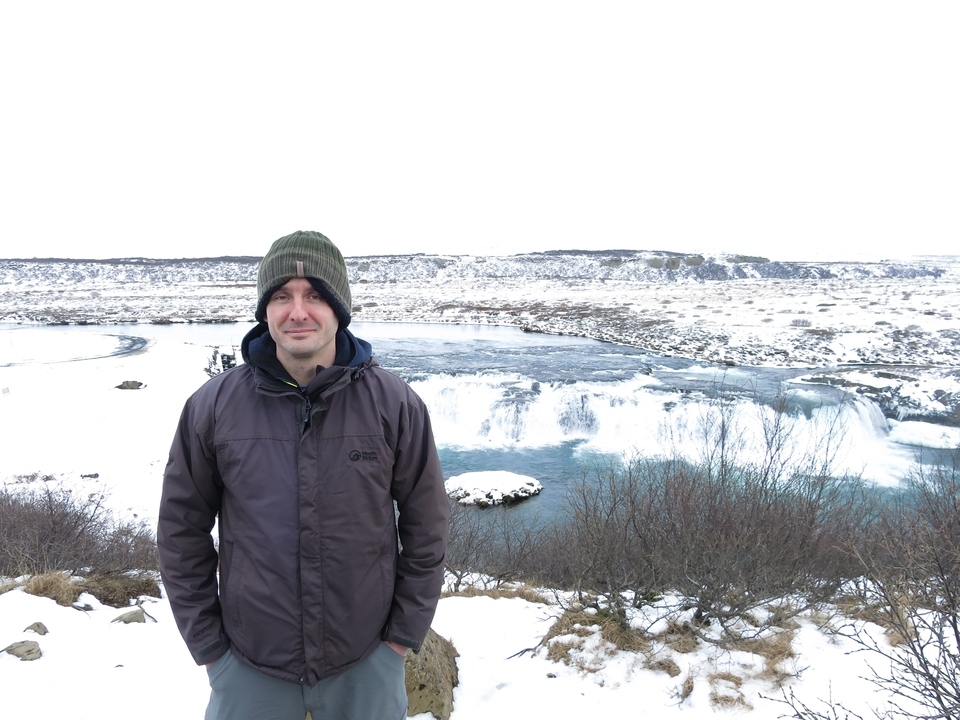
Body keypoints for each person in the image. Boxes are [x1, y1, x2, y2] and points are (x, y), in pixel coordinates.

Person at [158, 230, 449, 720]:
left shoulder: (395, 404)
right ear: (264, 311)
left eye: (314, 295)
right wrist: (211, 650)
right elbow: (180, 532)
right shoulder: (212, 407)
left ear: (338, 308)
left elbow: (427, 525)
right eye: (281, 296)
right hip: (250, 668)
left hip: (366, 663)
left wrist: (399, 640)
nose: (298, 312)